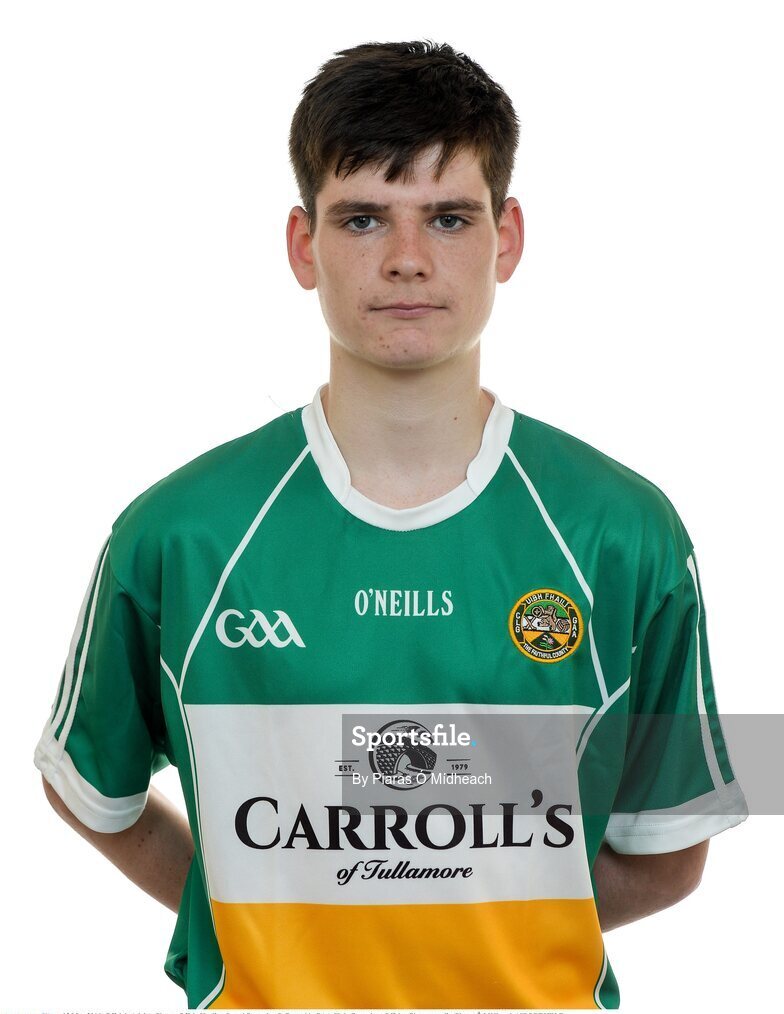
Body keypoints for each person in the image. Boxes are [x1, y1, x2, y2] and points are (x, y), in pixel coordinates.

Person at [35, 39, 748, 1009]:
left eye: (448, 218)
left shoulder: (625, 531)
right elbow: (90, 793)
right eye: (363, 218)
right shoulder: (178, 532)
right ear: (302, 244)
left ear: (506, 238)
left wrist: (480, 924)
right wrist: (245, 917)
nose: (407, 259)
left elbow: (669, 855)